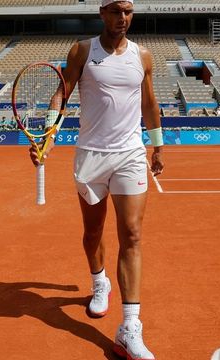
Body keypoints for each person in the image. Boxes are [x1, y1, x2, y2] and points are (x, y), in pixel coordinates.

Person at [29, 0, 164, 358]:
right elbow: (62, 92)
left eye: (129, 12)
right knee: (93, 233)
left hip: (130, 155)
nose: (123, 18)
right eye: (116, 11)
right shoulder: (82, 51)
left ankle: (129, 326)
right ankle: (98, 280)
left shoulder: (144, 56)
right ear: (102, 13)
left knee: (132, 234)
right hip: (90, 156)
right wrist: (48, 134)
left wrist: (158, 147)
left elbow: (149, 104)